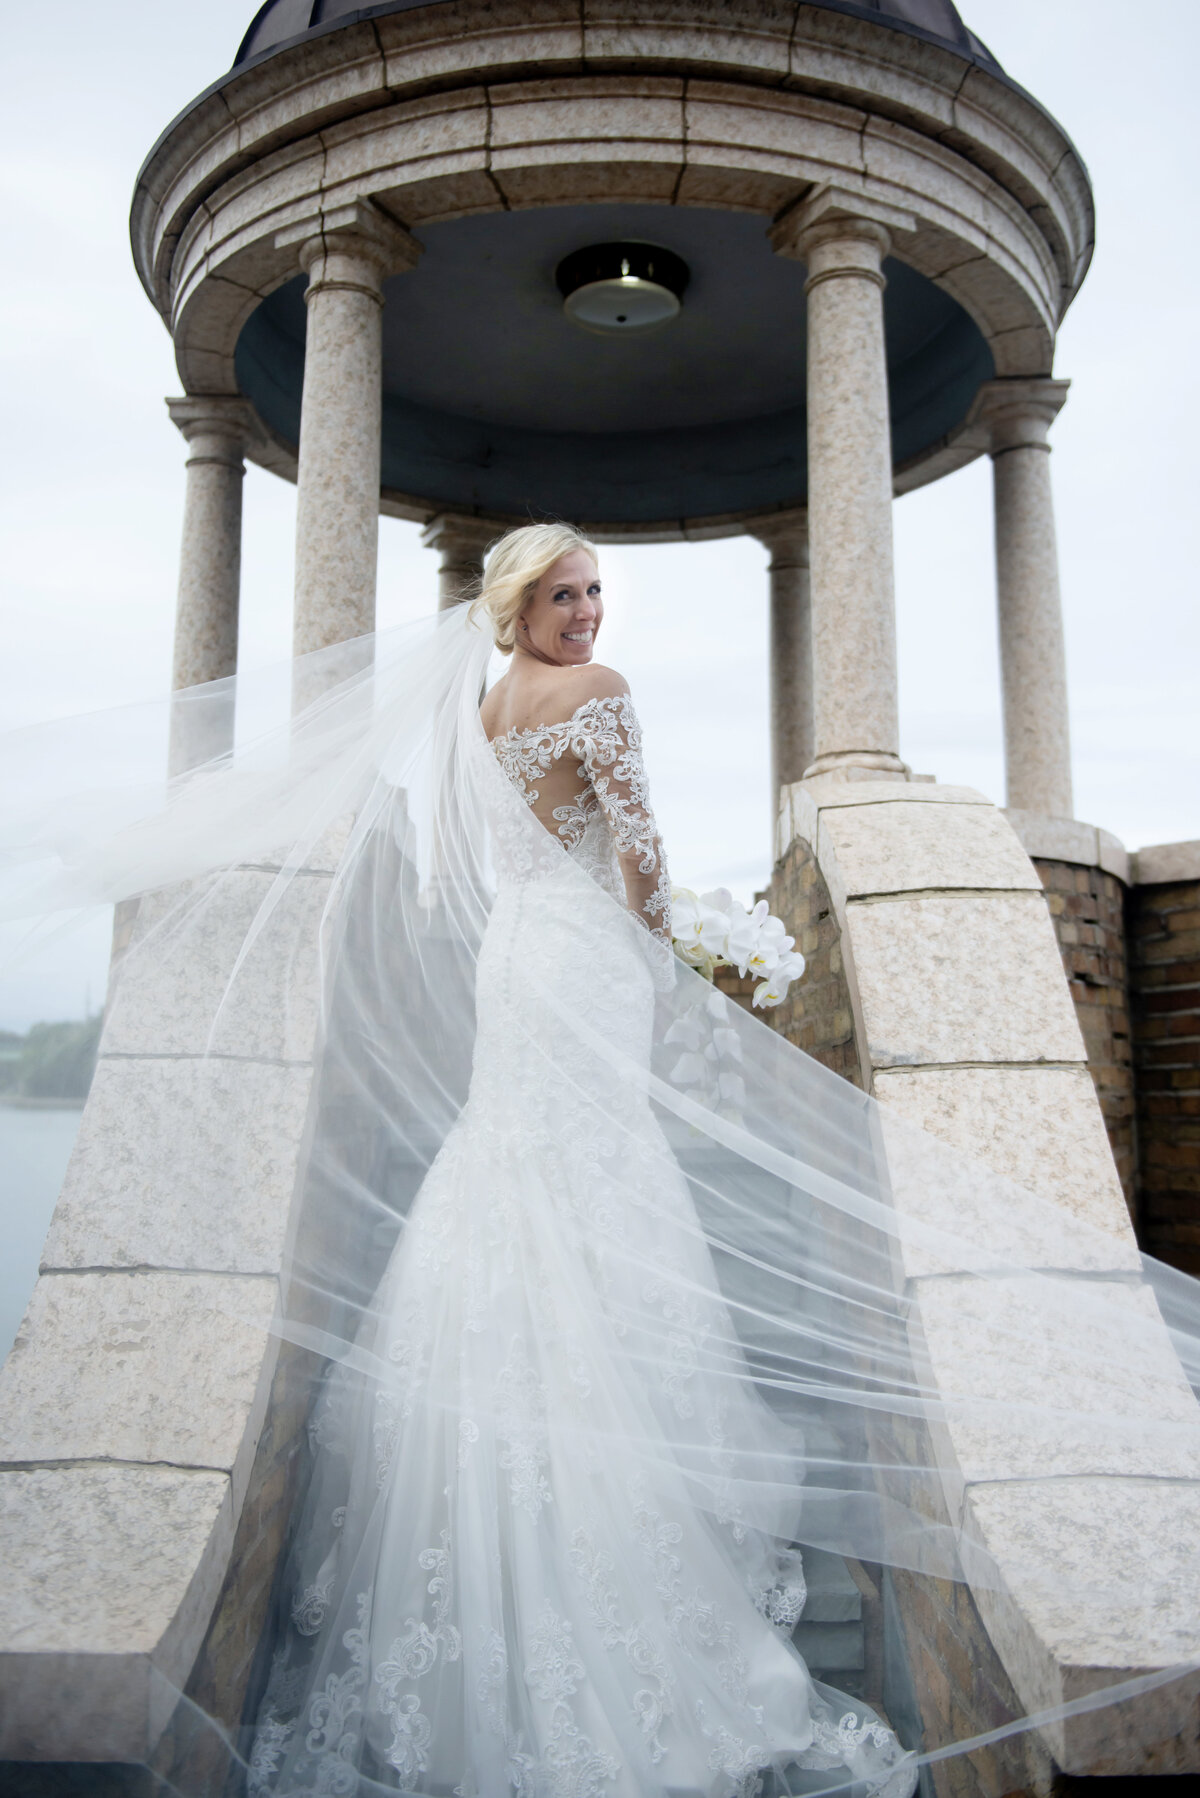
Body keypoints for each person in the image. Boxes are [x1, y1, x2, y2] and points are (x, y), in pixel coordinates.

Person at [246, 522, 916, 1797]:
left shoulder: (483, 707)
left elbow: (506, 854)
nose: (589, 613)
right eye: (564, 593)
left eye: (597, 592)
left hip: (519, 962)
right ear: (517, 603)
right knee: (588, 1184)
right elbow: (639, 847)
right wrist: (674, 958)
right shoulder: (597, 698)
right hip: (587, 963)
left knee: (514, 1175)